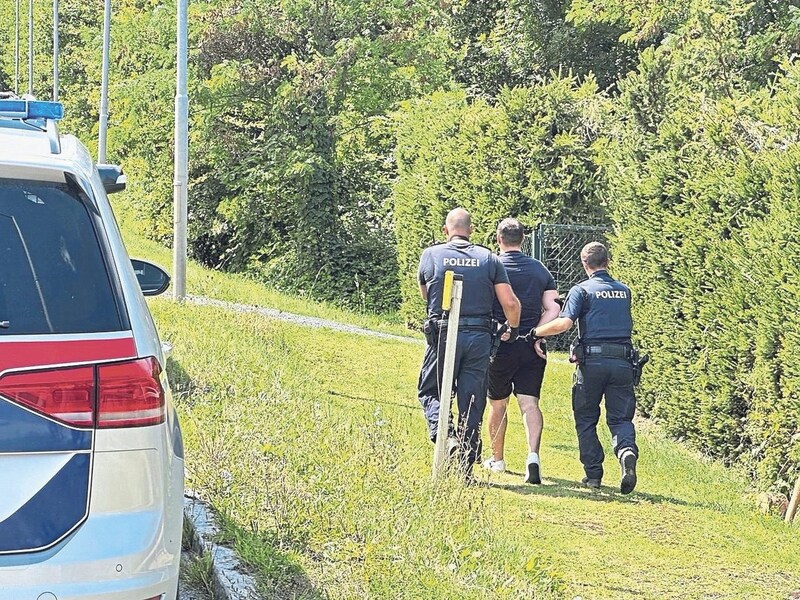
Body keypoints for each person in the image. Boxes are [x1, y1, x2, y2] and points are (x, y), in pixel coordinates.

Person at [417, 208, 521, 479]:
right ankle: (465, 463)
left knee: (431, 391)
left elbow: (426, 294)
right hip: (478, 336)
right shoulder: (489, 258)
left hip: (442, 332)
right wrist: (511, 327)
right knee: (472, 399)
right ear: (471, 230)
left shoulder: (431, 255)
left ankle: (447, 436)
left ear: (445, 230)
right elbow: (509, 303)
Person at [529, 242, 639, 494]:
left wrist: (535, 332)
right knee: (621, 418)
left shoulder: (582, 290)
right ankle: (626, 451)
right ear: (608, 261)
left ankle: (593, 475)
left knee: (586, 418)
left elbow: (564, 323)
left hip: (592, 364)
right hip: (623, 362)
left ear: (584, 264)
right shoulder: (624, 291)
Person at [482, 218, 560, 484]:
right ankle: (533, 457)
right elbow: (553, 308)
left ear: (498, 239)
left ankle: (498, 459)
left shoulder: (491, 265)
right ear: (524, 239)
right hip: (531, 346)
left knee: (498, 402)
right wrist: (536, 334)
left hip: (500, 344)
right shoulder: (540, 270)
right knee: (529, 403)